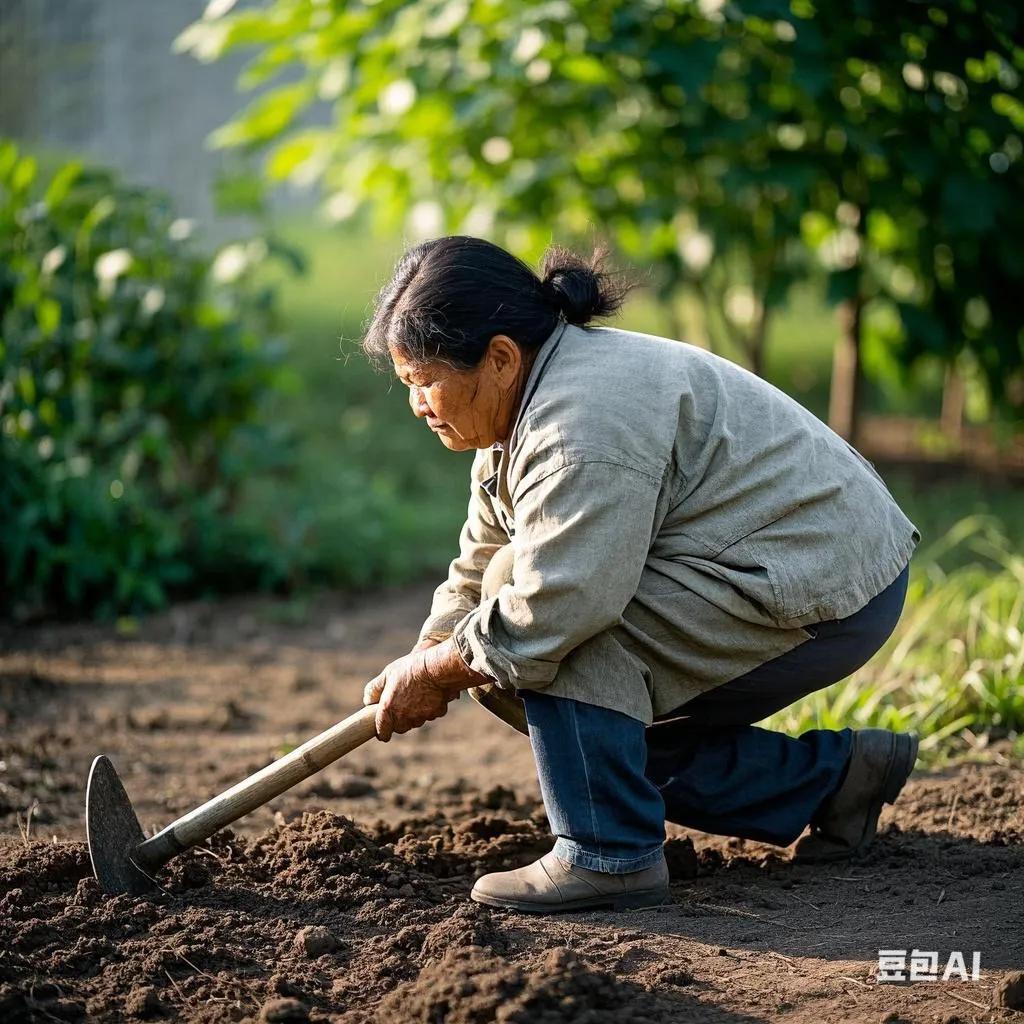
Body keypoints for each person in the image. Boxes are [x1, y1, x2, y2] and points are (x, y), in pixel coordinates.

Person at [360, 235, 920, 914]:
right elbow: (480, 560)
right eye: (407, 384)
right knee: (550, 700)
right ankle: (835, 782)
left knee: (545, 635)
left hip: (822, 581)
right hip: (775, 564)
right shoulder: (524, 412)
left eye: (426, 380)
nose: (418, 403)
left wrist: (442, 669)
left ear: (501, 358)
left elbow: (558, 607)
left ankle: (610, 853)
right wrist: (430, 651)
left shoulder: (577, 427)